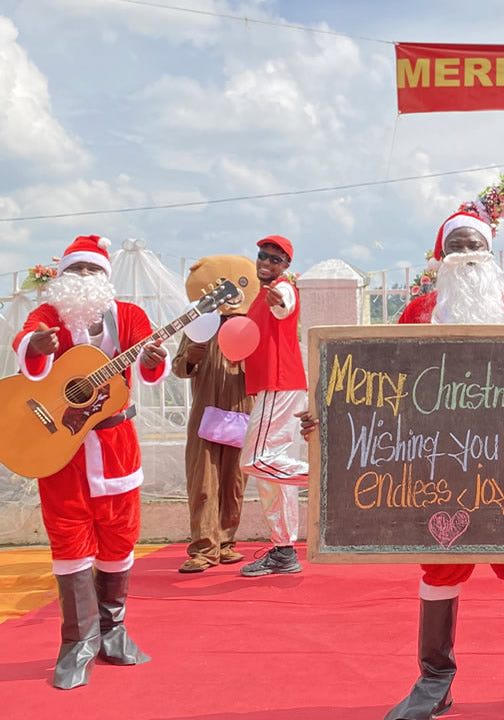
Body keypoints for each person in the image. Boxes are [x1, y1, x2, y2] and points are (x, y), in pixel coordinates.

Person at [304, 211, 504, 720]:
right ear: (441, 256)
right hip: (436, 467)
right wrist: (328, 419)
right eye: (457, 244)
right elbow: (381, 384)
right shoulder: (418, 310)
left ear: (490, 253)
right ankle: (435, 681)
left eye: (475, 243)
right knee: (440, 567)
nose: (467, 251)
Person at [11, 235, 169, 689]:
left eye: (91, 271)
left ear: (105, 277)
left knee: (120, 537)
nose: (83, 279)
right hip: (59, 451)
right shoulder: (49, 316)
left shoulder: (132, 317)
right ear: (61, 278)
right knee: (69, 540)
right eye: (75, 271)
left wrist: (154, 360)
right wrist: (37, 347)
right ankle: (78, 642)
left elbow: (148, 370)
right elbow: (28, 352)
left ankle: (113, 633)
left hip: (115, 444)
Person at [173, 255, 259, 573]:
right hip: (204, 413)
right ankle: (203, 548)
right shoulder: (199, 324)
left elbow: (264, 368)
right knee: (203, 482)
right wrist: (192, 357)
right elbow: (179, 367)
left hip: (241, 409)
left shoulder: (251, 327)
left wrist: (247, 361)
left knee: (233, 481)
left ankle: (225, 542)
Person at [238, 236, 308, 578]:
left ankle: (324, 477)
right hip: (275, 385)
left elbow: (286, 304)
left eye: (275, 259)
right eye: (262, 256)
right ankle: (284, 550)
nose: (266, 262)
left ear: (286, 266)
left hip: (280, 384)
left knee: (254, 460)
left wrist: (280, 299)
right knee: (273, 478)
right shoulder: (258, 297)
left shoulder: (284, 288)